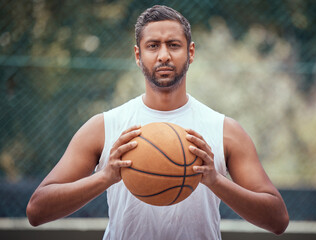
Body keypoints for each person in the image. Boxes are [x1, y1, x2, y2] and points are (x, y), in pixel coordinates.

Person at [26, 5, 289, 239]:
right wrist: (104, 177)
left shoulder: (224, 130)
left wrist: (216, 181)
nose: (163, 55)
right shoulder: (104, 127)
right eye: (153, 46)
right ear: (138, 55)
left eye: (173, 45)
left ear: (191, 52)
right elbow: (37, 211)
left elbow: (278, 220)